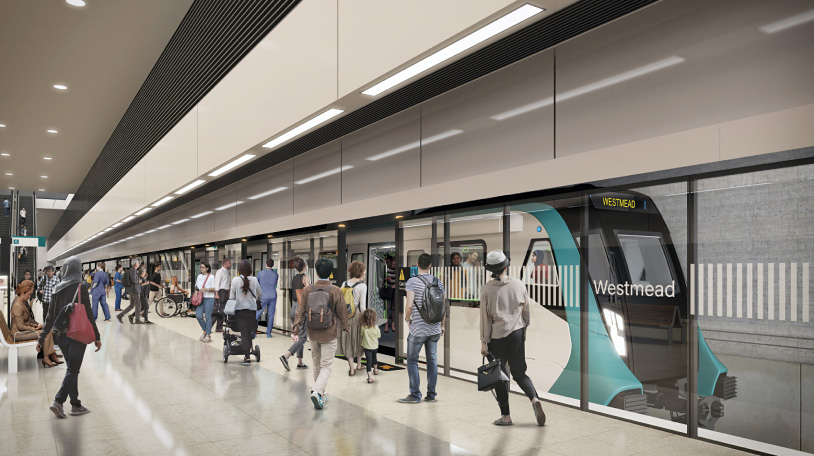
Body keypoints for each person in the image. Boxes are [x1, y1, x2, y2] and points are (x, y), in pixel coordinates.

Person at [480, 250, 545, 426]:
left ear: (490, 270)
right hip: (516, 334)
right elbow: (526, 313)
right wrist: (523, 332)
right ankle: (534, 399)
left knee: (500, 376)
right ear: (506, 267)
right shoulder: (518, 284)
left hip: (497, 337)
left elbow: (485, 319)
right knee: (519, 372)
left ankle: (506, 417)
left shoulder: (486, 289)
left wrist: (484, 342)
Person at [38, 256, 102, 418]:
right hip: (76, 334)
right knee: (73, 369)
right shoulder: (80, 287)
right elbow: (88, 315)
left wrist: (42, 338)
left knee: (71, 369)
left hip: (60, 335)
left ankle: (75, 405)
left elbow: (49, 317)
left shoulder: (56, 288)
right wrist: (97, 337)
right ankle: (58, 401)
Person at [292, 258, 348, 410]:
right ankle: (317, 391)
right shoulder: (335, 290)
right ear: (330, 272)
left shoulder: (308, 290)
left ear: (316, 273)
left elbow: (301, 311)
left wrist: (295, 329)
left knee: (317, 364)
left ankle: (321, 394)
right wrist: (346, 326)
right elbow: (343, 312)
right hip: (329, 333)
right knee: (327, 366)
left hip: (313, 333)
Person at [399, 253, 445, 404]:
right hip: (435, 329)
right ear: (430, 265)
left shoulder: (412, 282)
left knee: (412, 360)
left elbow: (410, 305)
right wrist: (442, 325)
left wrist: (407, 319)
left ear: (417, 263)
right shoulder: (439, 282)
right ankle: (431, 395)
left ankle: (415, 395)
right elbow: (442, 307)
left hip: (418, 329)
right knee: (432, 361)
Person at [11, 280, 60, 367]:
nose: (30, 296)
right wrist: (35, 328)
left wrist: (37, 326)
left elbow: (26, 321)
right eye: (28, 295)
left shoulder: (21, 302)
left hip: (22, 331)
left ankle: (51, 355)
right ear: (22, 293)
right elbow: (20, 326)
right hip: (18, 334)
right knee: (47, 332)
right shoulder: (18, 305)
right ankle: (46, 358)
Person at [230, 260, 263, 366]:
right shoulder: (254, 280)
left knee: (244, 333)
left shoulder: (235, 280)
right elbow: (260, 294)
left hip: (239, 311)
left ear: (240, 270)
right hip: (251, 311)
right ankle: (248, 352)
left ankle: (247, 357)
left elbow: (232, 297)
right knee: (249, 333)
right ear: (250, 269)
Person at [279, 258, 309, 371]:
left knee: (299, 335)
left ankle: (300, 362)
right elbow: (307, 293)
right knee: (302, 338)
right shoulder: (305, 277)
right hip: (301, 308)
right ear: (305, 265)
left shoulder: (295, 278)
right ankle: (286, 356)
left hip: (293, 308)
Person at [338, 261, 367, 376]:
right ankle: (359, 365)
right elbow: (363, 306)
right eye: (363, 272)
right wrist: (366, 320)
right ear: (360, 272)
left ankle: (352, 368)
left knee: (348, 341)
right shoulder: (362, 286)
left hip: (345, 316)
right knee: (358, 339)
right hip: (357, 315)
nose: (364, 274)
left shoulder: (344, 283)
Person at [116, 258, 144, 324]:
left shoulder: (131, 270)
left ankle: (120, 315)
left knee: (132, 305)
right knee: (138, 305)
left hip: (131, 290)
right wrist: (139, 281)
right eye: (138, 263)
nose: (139, 264)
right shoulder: (133, 270)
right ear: (135, 264)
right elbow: (134, 280)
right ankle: (137, 320)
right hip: (135, 290)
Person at [256, 258, 279, 338]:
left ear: (266, 264)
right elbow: (275, 284)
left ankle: (254, 332)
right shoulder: (276, 274)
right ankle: (268, 333)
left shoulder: (260, 273)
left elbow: (257, 284)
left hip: (263, 296)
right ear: (272, 265)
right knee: (271, 314)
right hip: (273, 295)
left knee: (257, 313)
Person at [194, 263, 216, 342]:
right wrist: (195, 293)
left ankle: (208, 335)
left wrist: (206, 289)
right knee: (198, 316)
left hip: (209, 298)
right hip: (200, 298)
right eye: (200, 267)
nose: (201, 269)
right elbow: (196, 286)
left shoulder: (211, 277)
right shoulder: (199, 276)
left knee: (208, 317)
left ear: (207, 268)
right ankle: (206, 330)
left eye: (203, 267)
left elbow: (214, 288)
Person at [361, 308, 380, 384]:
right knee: (374, 358)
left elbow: (361, 335)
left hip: (366, 347)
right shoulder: (376, 327)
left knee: (368, 361)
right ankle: (375, 370)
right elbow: (379, 336)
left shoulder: (363, 327)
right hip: (374, 346)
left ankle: (369, 377)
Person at [214, 258, 232, 333]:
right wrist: (216, 293)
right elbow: (217, 283)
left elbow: (227, 283)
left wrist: (228, 292)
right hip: (221, 291)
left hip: (225, 292)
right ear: (225, 264)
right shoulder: (220, 272)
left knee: (223, 309)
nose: (230, 264)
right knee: (220, 309)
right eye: (229, 263)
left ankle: (220, 326)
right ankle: (217, 327)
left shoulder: (226, 272)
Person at [383, 254, 396, 333]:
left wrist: (396, 285)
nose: (394, 266)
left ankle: (393, 325)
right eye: (393, 264)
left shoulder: (398, 271)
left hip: (395, 291)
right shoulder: (387, 270)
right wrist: (386, 279)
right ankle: (386, 324)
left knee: (394, 308)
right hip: (388, 290)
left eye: (395, 264)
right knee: (387, 308)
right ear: (391, 263)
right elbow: (382, 280)